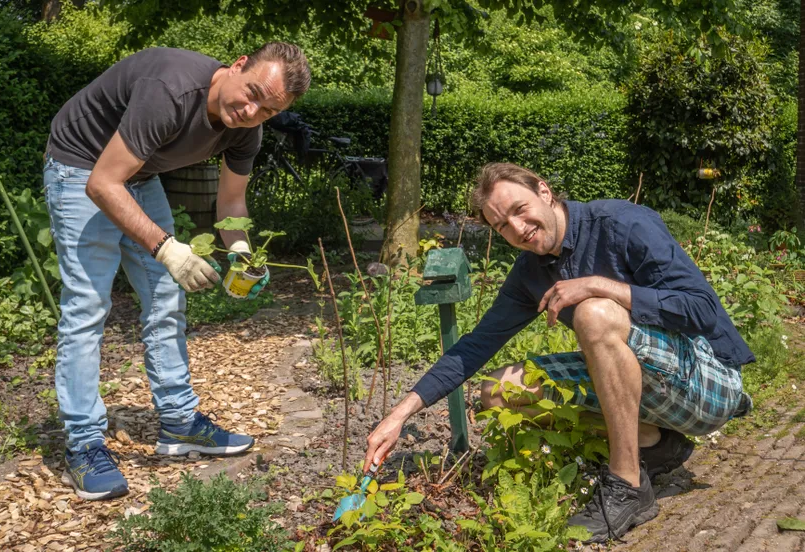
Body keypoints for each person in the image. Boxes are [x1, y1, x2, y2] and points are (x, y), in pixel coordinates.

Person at [363, 162, 754, 543]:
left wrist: (598, 285)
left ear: (544, 192)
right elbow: (475, 347)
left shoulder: (621, 222)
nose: (518, 229)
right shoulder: (531, 272)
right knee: (500, 391)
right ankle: (656, 443)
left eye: (520, 210)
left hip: (708, 380)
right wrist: (399, 415)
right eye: (502, 225)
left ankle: (628, 486)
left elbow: (701, 309)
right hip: (651, 384)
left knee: (593, 312)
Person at [44, 42, 311, 500]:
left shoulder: (247, 129)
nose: (250, 111)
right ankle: (84, 445)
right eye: (250, 94)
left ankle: (179, 422)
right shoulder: (170, 88)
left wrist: (243, 254)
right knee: (88, 308)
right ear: (238, 65)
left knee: (167, 300)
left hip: (138, 177)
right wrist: (168, 250)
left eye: (267, 110)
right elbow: (103, 184)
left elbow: (230, 204)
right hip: (82, 166)